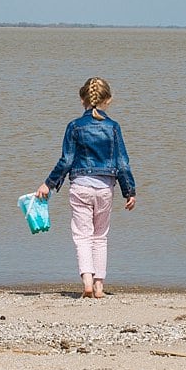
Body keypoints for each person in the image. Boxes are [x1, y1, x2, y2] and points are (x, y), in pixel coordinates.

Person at [33, 77, 137, 298]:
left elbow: (66, 160)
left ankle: (87, 283)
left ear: (82, 99)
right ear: (108, 99)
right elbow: (122, 163)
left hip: (80, 187)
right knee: (100, 236)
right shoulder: (113, 128)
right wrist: (129, 191)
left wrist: (48, 184)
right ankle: (99, 286)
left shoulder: (74, 126)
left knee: (82, 236)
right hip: (105, 189)